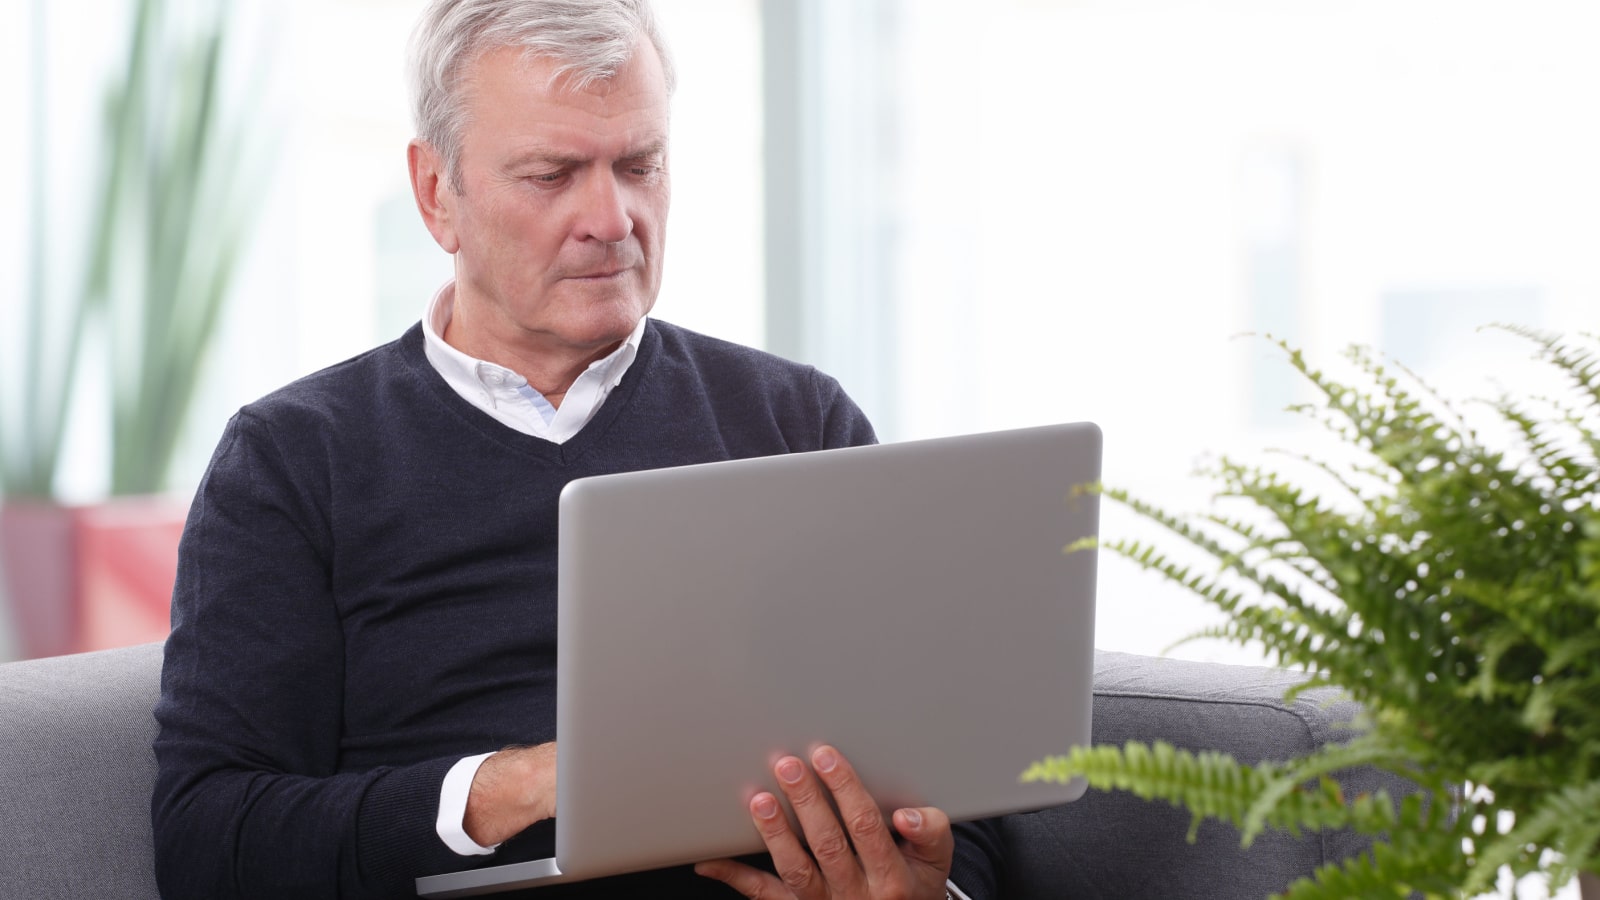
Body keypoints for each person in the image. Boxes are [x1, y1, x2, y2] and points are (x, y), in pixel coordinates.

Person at [151, 1, 1003, 898]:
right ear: (437, 191)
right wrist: (512, 786)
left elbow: (958, 792)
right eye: (553, 174)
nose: (612, 216)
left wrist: (921, 887)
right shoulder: (292, 457)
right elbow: (210, 842)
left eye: (640, 165)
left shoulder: (799, 422)